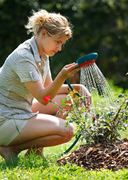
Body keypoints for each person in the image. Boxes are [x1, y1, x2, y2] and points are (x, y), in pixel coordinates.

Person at [0, 9, 91, 163]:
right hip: (5, 119)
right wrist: (62, 76)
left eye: (62, 43)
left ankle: (35, 152)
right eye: (58, 42)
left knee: (71, 97)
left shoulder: (42, 53)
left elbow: (49, 89)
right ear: (43, 33)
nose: (60, 48)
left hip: (21, 109)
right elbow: (44, 98)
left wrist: (78, 89)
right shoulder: (24, 57)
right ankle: (10, 148)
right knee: (67, 131)